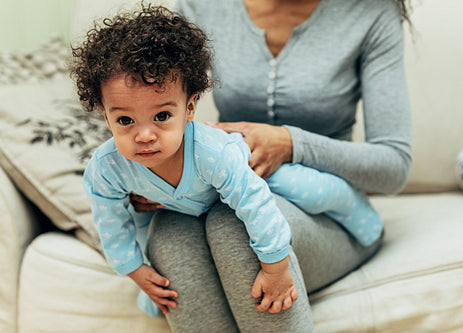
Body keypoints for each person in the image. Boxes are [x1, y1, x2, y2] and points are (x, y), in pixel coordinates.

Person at [70, 3, 386, 331]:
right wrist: (135, 268)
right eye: (125, 120)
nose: (145, 135)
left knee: (252, 215)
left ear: (189, 108)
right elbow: (110, 221)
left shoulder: (212, 153)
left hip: (257, 173)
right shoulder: (107, 168)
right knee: (167, 235)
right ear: (105, 117)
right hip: (199, 204)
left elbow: (256, 205)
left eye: (162, 116)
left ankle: (356, 216)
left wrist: (275, 270)